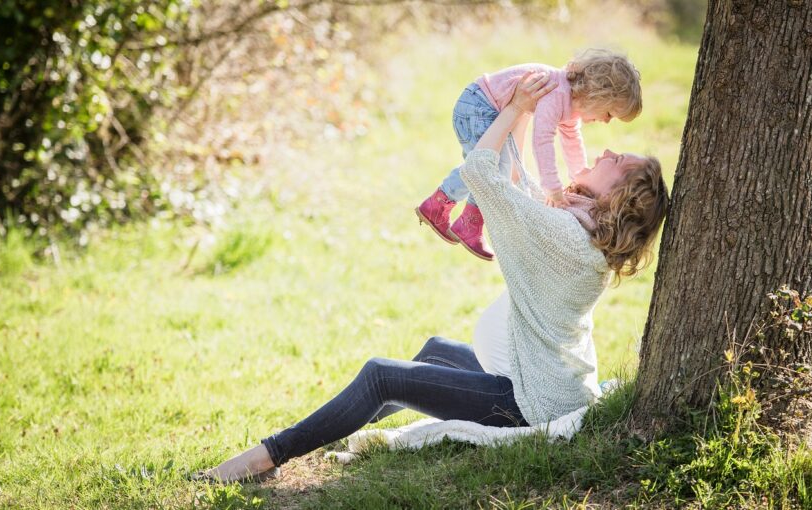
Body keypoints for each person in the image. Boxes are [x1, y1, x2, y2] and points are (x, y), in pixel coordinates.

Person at [195, 72, 668, 484]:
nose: (606, 150)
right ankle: (322, 432)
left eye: (619, 161)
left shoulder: (565, 236)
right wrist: (522, 113)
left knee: (382, 375)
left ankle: (267, 456)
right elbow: (520, 185)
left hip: (527, 401)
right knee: (434, 351)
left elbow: (482, 172)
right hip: (540, 380)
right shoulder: (581, 232)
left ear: (619, 197)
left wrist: (517, 108)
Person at [416, 48, 642, 261]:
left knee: (491, 167)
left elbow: (572, 142)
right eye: (609, 113)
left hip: (484, 107)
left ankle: (449, 211)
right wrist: (552, 188)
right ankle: (462, 218)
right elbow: (542, 139)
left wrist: (579, 176)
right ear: (597, 95)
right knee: (490, 167)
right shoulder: (558, 93)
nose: (605, 121)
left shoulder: (570, 104)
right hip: (478, 106)